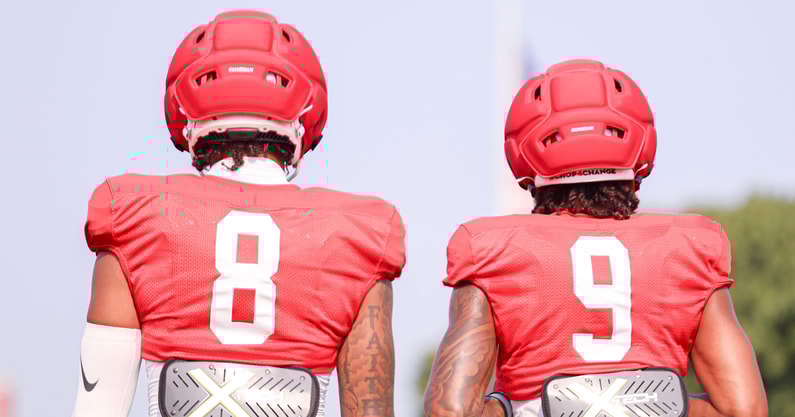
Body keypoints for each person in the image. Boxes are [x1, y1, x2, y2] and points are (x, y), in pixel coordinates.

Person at [72, 10, 405, 417]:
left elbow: (97, 408)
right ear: (305, 115)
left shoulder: (132, 215)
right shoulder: (360, 235)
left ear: (184, 112)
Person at [424, 59, 767, 417]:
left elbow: (452, 411)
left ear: (522, 157)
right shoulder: (692, 249)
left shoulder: (489, 250)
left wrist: (519, 408)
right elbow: (744, 410)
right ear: (640, 149)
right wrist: (647, 403)